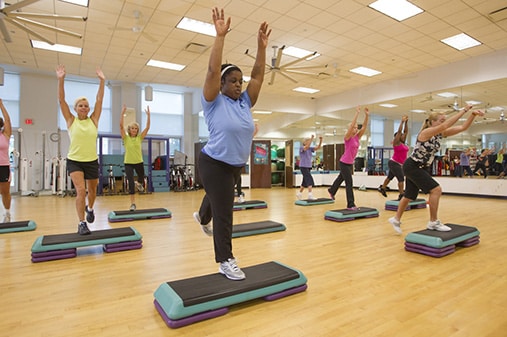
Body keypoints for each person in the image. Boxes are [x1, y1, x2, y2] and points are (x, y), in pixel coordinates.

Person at [192, 8, 270, 281]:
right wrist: (219, 36)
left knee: (217, 198)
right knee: (225, 212)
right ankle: (225, 260)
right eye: (233, 81)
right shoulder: (213, 101)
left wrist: (262, 48)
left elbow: (258, 76)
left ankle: (201, 216)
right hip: (213, 163)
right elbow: (213, 70)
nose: (239, 85)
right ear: (222, 83)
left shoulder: (245, 103)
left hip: (235, 165)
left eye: (240, 81)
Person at [388, 106, 484, 234]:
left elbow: (463, 127)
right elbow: (444, 127)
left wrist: (472, 115)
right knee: (436, 190)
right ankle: (433, 222)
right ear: (432, 122)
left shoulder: (440, 134)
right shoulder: (425, 133)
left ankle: (396, 219)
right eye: (441, 120)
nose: (443, 123)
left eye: (444, 120)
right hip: (413, 166)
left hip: (420, 167)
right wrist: (463, 110)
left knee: (409, 195)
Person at [56, 65, 105, 235]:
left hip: (91, 160)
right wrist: (61, 79)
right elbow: (61, 100)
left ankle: (90, 209)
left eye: (86, 106)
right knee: (81, 191)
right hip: (75, 160)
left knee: (92, 191)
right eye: (80, 106)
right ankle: (81, 223)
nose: (84, 108)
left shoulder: (94, 120)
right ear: (75, 108)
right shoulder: (71, 120)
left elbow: (99, 100)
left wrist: (102, 81)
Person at [328, 106, 369, 209]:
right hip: (344, 162)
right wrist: (357, 113)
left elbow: (363, 127)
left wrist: (367, 115)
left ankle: (332, 190)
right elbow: (351, 127)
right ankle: (350, 204)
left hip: (350, 163)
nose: (355, 129)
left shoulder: (357, 137)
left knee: (340, 178)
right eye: (354, 127)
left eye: (356, 128)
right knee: (349, 182)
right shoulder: (347, 138)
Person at [120, 104, 150, 211]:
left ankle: (139, 183)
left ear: (137, 130)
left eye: (136, 128)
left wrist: (148, 116)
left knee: (142, 177)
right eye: (132, 128)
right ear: (130, 129)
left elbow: (147, 128)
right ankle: (132, 204)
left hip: (139, 162)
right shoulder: (126, 138)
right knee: (131, 184)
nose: (134, 130)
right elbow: (120, 126)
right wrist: (122, 113)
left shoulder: (139, 138)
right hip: (128, 162)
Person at [378, 115, 409, 200]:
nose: (403, 136)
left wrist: (406, 122)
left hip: (398, 163)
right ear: (397, 137)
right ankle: (401, 194)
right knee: (401, 179)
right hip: (394, 163)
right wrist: (402, 122)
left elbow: (405, 132)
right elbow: (399, 131)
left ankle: (383, 188)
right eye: (401, 135)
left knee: (390, 177)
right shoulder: (396, 142)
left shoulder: (403, 143)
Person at [235, 123, 258, 203]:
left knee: (238, 180)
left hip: (238, 164)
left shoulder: (242, 141)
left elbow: (249, 137)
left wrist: (255, 131)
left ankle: (240, 196)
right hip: (229, 163)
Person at [297, 135, 322, 200]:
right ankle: (310, 194)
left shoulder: (310, 149)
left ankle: (299, 193)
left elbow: (318, 147)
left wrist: (321, 140)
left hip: (308, 166)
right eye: (307, 141)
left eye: (309, 141)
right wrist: (311, 138)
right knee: (309, 179)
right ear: (304, 142)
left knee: (305, 181)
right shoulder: (301, 148)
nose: (309, 142)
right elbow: (307, 146)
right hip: (303, 166)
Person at [0, 99, 12, 223]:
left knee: (5, 192)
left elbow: (8, 120)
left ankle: (7, 213)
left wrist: (1, 105)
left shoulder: (5, 135)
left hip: (3, 166)